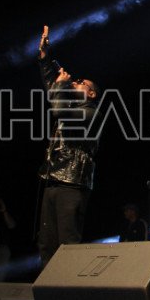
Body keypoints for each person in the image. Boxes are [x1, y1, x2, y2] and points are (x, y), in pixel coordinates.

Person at [37, 25, 101, 266]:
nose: (74, 82)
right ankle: (47, 288)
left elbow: (58, 109)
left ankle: (71, 287)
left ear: (91, 93)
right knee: (46, 244)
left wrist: (62, 85)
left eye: (80, 82)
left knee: (68, 244)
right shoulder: (69, 104)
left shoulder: (91, 112)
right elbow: (53, 90)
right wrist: (46, 58)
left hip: (73, 183)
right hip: (53, 179)